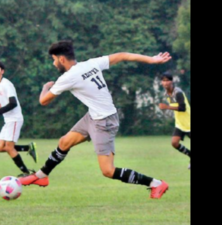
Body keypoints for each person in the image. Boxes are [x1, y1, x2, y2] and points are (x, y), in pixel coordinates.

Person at [19, 40, 172, 199]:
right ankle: (42, 176)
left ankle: (155, 184)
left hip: (104, 121)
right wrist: (152, 59)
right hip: (94, 115)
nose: (53, 63)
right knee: (64, 142)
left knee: (108, 171)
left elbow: (43, 101)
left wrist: (45, 87)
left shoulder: (68, 77)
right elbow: (122, 56)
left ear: (62, 59)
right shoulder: (91, 64)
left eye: (54, 60)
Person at [0, 60, 38, 177]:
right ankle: (28, 148)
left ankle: (26, 173)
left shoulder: (6, 84)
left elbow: (13, 103)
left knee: (9, 147)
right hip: (8, 120)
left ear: (2, 71)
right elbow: (3, 100)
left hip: (14, 119)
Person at [158, 71, 191, 169]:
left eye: (167, 80)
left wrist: (167, 107)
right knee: (174, 143)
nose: (165, 83)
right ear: (161, 83)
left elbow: (182, 108)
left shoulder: (178, 92)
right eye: (163, 81)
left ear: (171, 82)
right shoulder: (166, 94)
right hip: (180, 124)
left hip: (189, 122)